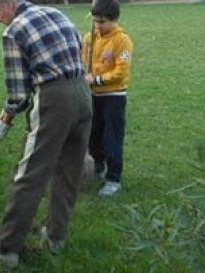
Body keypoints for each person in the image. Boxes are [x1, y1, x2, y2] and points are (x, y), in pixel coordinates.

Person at [0, 0, 92, 268]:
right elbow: (78, 50)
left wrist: (6, 118)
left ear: (9, 5)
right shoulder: (54, 12)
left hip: (55, 100)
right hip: (84, 95)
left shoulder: (14, 31)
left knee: (30, 173)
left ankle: (6, 249)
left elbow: (18, 93)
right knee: (69, 170)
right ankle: (55, 237)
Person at [82, 0, 133, 197]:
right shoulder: (89, 37)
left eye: (102, 22)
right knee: (93, 135)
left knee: (111, 137)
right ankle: (97, 167)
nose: (98, 26)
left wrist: (96, 79)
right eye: (95, 21)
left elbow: (120, 72)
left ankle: (113, 179)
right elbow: (83, 59)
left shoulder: (123, 41)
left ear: (115, 20)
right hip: (93, 96)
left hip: (113, 97)